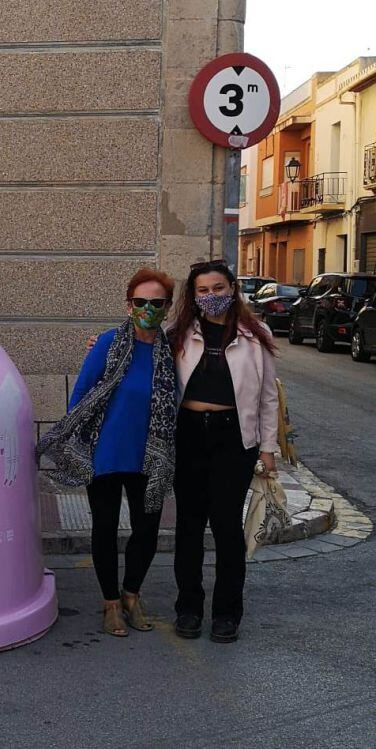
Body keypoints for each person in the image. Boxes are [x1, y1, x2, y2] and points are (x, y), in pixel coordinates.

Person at [37, 268, 178, 637]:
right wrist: (80, 443)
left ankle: (132, 594)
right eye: (140, 301)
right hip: (106, 454)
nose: (148, 308)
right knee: (104, 528)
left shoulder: (173, 352)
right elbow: (82, 394)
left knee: (147, 530)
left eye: (157, 303)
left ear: (168, 307)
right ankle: (110, 604)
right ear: (128, 303)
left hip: (152, 456)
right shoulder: (107, 342)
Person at [170, 260, 278, 644]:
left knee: (227, 527)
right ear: (193, 296)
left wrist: (268, 448)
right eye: (203, 290)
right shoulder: (179, 332)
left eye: (218, 288)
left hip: (234, 439)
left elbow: (268, 397)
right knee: (189, 526)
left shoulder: (256, 333)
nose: (211, 296)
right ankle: (188, 607)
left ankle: (227, 613)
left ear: (232, 288)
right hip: (188, 435)